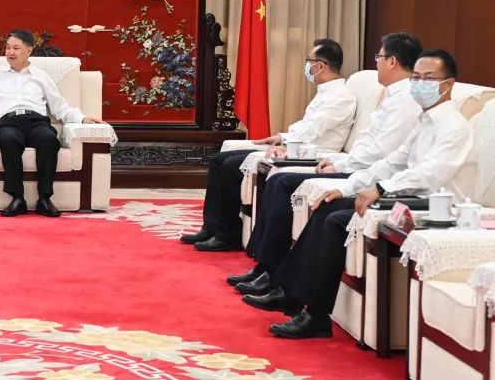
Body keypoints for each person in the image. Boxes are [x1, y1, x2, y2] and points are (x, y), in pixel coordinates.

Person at [244, 49, 474, 338]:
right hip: (405, 195)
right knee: (329, 204)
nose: (418, 84)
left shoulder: (453, 126)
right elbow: (391, 162)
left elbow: (430, 174)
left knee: (335, 221)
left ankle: (316, 314)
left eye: (428, 79)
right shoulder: (425, 122)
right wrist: (345, 187)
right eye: (415, 77)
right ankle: (291, 292)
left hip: (434, 206)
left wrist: (379, 189)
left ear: (448, 84)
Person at [230, 32, 423, 294]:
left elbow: (380, 153)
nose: (376, 62)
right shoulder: (392, 96)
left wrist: (340, 164)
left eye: (379, 56)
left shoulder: (406, 100)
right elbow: (368, 145)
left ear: (392, 61)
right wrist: (338, 160)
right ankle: (266, 268)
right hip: (358, 166)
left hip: (370, 175)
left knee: (284, 184)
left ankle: (274, 274)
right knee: (279, 181)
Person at [182, 38, 356, 252]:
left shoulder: (341, 96)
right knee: (219, 160)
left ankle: (227, 235)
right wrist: (281, 137)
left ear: (320, 66)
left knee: (230, 166)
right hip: (298, 146)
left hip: (314, 153)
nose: (307, 66)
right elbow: (308, 126)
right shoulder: (326, 92)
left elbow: (315, 129)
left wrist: (286, 142)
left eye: (309, 61)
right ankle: (211, 227)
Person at [0, 28, 105, 217]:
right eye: (8, 48)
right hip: (8, 123)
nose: (10, 52)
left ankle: (45, 199)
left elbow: (59, 106)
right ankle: (17, 198)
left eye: (16, 48)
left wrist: (82, 118)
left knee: (48, 139)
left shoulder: (41, 76)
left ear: (29, 50)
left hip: (36, 122)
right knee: (8, 139)